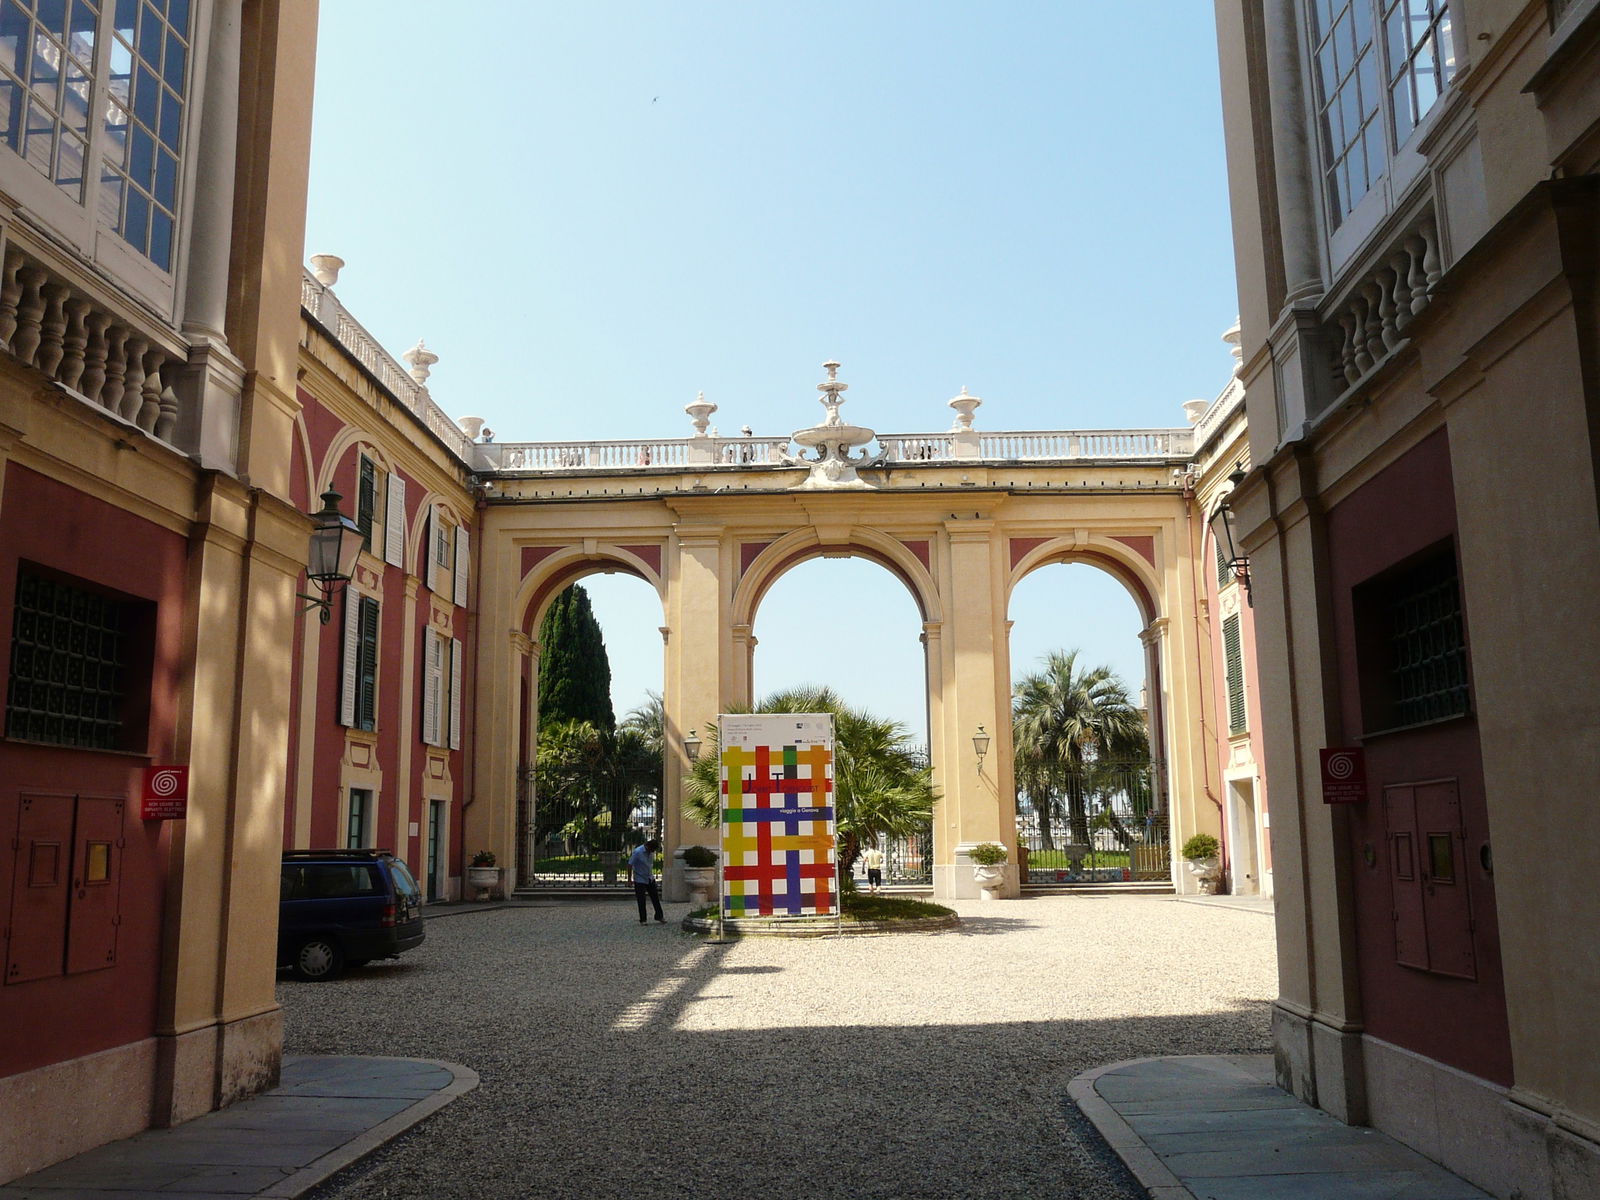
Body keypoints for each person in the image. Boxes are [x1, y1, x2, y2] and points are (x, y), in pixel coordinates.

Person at [629, 838, 666, 924]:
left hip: (649, 877)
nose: (652, 852)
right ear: (648, 847)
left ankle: (659, 916)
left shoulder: (650, 853)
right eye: (652, 850)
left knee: (655, 898)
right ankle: (643, 919)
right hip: (639, 878)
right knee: (641, 900)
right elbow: (630, 864)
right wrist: (629, 879)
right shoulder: (638, 852)